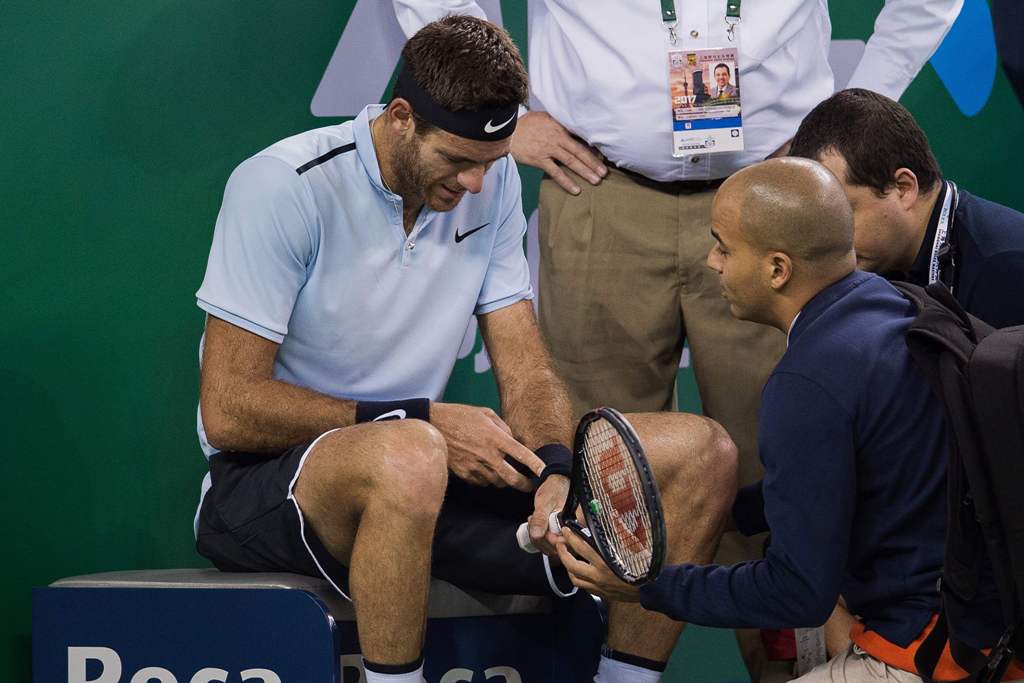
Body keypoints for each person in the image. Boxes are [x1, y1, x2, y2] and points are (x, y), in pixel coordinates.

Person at [393, 1, 964, 675]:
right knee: (589, 486)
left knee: (787, 488)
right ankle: (591, 671)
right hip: (600, 188)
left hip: (774, 198)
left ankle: (803, 672)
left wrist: (847, 115)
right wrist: (506, 118)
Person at [193, 16, 736, 683]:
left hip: (417, 476)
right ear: (399, 118)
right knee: (412, 449)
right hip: (267, 488)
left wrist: (556, 471)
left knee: (702, 452)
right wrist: (414, 416)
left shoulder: (493, 184)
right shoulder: (284, 185)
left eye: (492, 162)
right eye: (457, 161)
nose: (476, 184)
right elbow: (228, 409)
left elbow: (526, 366)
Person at [557, 157, 1024, 683]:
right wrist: (719, 507)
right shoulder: (896, 302)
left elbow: (797, 593)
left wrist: (648, 587)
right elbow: (843, 475)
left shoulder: (806, 383)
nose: (712, 262)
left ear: (777, 269)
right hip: (990, 626)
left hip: (933, 654)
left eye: (724, 247)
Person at [790, 88, 1024, 328]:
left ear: (903, 188)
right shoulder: (884, 264)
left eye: (841, 215)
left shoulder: (1005, 270)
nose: (830, 242)